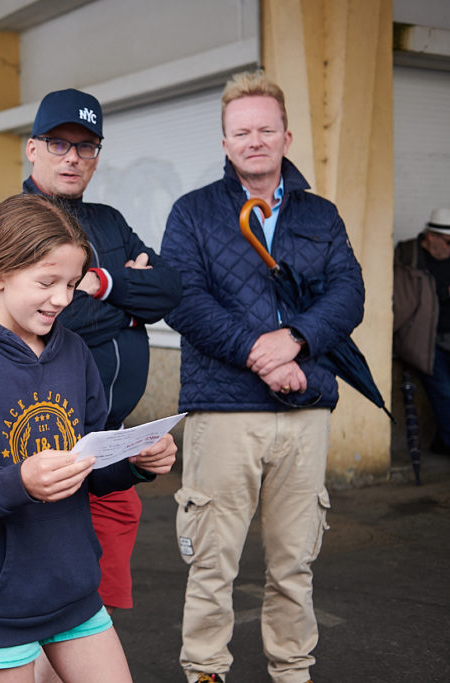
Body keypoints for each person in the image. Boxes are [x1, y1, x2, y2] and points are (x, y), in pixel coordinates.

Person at [0, 192, 176, 682]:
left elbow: (93, 465)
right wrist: (20, 482)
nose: (62, 298)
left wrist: (136, 460)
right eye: (46, 281)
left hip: (71, 584)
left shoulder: (74, 351)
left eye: (73, 284)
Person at [160, 70, 365, 683]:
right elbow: (183, 299)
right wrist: (260, 352)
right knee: (213, 561)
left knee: (294, 562)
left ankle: (292, 671)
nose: (254, 140)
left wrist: (297, 342)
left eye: (265, 129)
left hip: (304, 415)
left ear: (286, 135)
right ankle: (204, 672)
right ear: (225, 141)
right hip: (225, 413)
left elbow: (348, 292)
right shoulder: (192, 213)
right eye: (241, 131)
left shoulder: (320, 215)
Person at [0, 88, 182, 651]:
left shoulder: (109, 221)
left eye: (86, 147)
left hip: (111, 451)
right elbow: (48, 323)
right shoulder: (2, 220)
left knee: (96, 610)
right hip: (43, 455)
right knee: (45, 616)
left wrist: (109, 282)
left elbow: (168, 291)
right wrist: (125, 314)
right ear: (32, 149)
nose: (72, 157)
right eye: (59, 144)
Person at [393, 207, 450, 454]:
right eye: (449, 241)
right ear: (431, 237)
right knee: (445, 393)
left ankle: (441, 442)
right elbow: (402, 302)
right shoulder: (408, 256)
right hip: (424, 340)